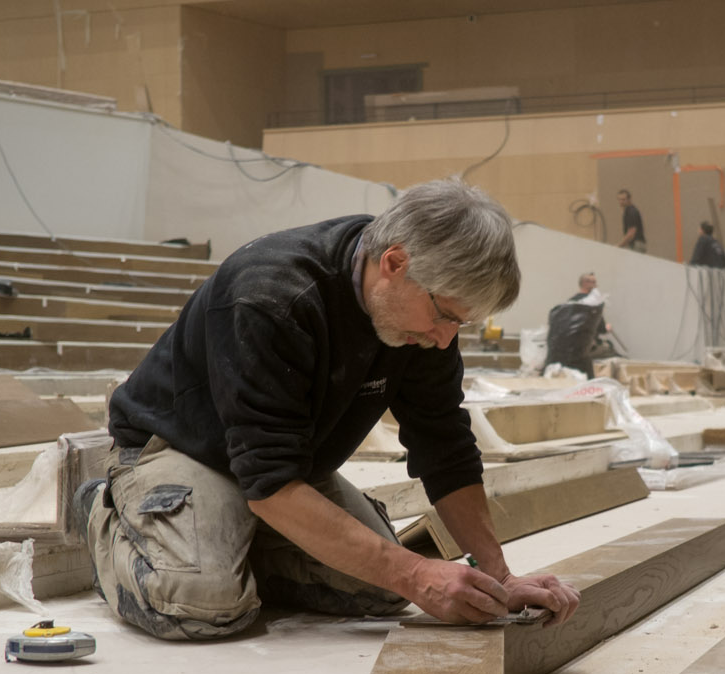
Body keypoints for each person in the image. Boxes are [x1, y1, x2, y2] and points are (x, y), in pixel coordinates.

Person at [79, 179, 581, 641]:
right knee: (202, 605)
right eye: (444, 315)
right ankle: (101, 515)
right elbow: (270, 482)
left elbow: (444, 444)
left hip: (283, 468)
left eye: (460, 325)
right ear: (395, 263)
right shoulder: (271, 294)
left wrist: (499, 577)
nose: (445, 338)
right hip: (183, 449)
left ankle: (235, 543)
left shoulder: (420, 320)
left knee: (384, 592)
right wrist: (415, 573)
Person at [615, 189, 645, 253]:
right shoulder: (628, 211)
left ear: (629, 199)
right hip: (635, 244)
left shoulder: (631, 212)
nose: (621, 202)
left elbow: (631, 233)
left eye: (623, 199)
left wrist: (619, 245)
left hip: (636, 245)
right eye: (619, 199)